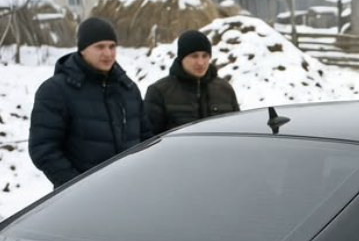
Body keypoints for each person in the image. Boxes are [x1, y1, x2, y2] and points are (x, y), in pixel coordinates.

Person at [29, 17, 152, 188]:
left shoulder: (128, 89)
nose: (108, 54)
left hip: (130, 190)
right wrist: (78, 187)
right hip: (80, 198)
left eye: (112, 46)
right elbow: (43, 149)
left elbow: (146, 140)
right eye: (100, 47)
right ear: (83, 49)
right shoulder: (55, 91)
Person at [145, 29, 240, 134]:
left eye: (205, 56)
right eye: (194, 56)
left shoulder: (225, 89)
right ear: (182, 58)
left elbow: (238, 132)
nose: (201, 62)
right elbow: (149, 139)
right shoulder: (159, 92)